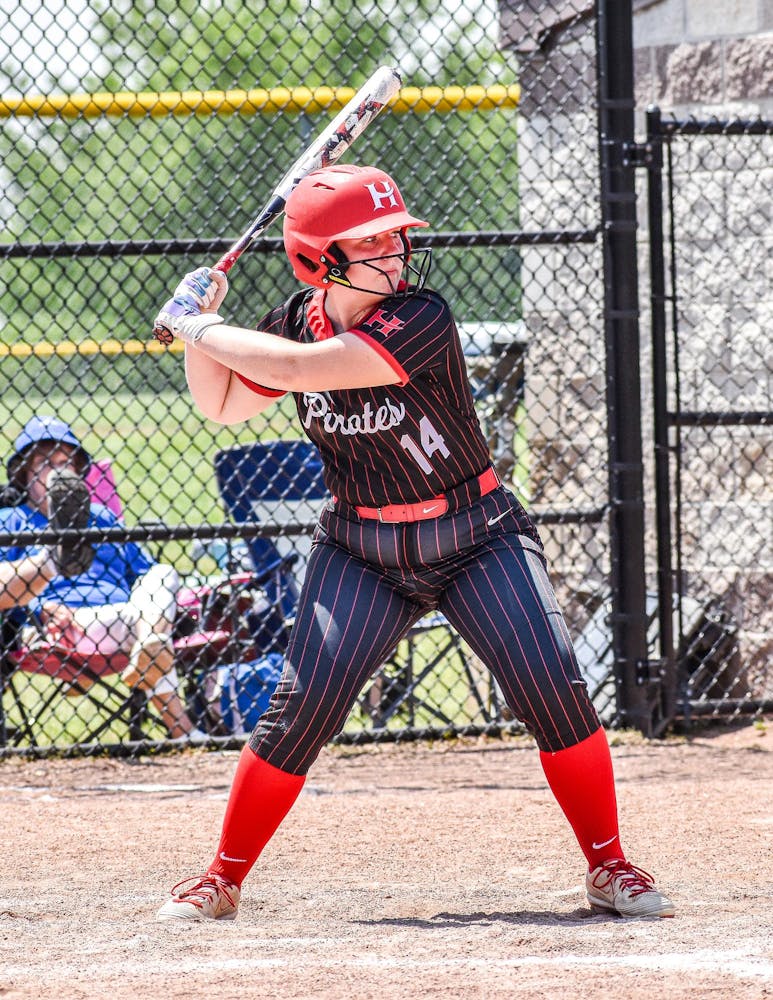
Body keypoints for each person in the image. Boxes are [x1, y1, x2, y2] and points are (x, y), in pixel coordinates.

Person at [153, 163, 674, 921]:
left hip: (475, 536)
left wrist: (197, 326)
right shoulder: (292, 321)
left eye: (395, 237)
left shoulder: (420, 315)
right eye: (371, 243)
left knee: (552, 686)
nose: (394, 253)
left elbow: (306, 371)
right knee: (300, 710)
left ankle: (608, 864)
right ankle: (221, 877)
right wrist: (201, 325)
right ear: (319, 259)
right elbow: (223, 403)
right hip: (360, 550)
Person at [0, 415, 200, 740]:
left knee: (163, 573)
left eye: (64, 463)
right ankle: (183, 729)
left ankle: (150, 646)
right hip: (64, 627)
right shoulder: (11, 521)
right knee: (152, 632)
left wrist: (150, 612)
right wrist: (37, 610)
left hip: (128, 618)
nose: (57, 472)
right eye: (45, 463)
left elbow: (144, 573)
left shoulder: (101, 517)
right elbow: (5, 592)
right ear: (24, 473)